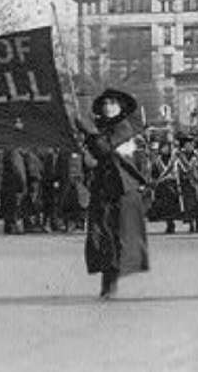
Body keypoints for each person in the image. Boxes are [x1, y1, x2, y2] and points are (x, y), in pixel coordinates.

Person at [78, 89, 149, 299]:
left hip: (122, 190)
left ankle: (110, 284)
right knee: (99, 235)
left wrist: (89, 132)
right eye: (105, 103)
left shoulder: (124, 127)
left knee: (116, 235)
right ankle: (107, 280)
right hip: (102, 188)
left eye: (113, 103)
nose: (108, 107)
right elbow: (92, 154)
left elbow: (104, 148)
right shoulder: (99, 127)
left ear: (121, 107)